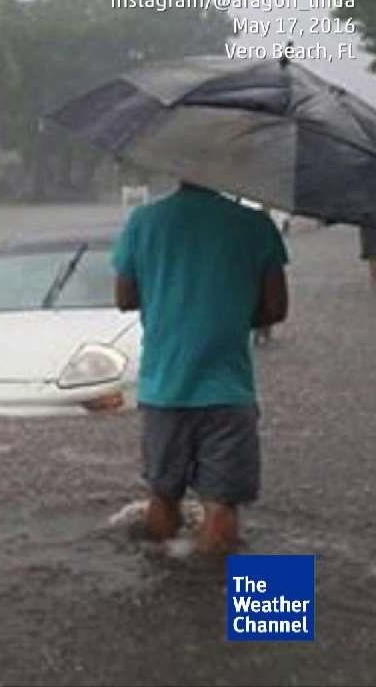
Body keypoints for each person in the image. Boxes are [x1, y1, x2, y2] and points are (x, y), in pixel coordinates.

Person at [112, 181, 289, 554]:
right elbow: (276, 310)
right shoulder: (256, 225)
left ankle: (165, 597)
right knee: (222, 507)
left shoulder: (143, 222)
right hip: (228, 389)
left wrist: (168, 298)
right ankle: (241, 605)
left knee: (162, 496)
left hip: (163, 388)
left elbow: (124, 297)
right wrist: (231, 311)